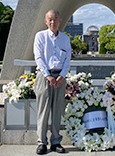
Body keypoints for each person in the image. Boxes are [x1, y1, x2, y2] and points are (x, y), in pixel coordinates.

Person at [33, 10, 72, 155]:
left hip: (60, 77)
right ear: (45, 21)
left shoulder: (65, 39)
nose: (52, 22)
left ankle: (56, 142)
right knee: (43, 110)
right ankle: (41, 142)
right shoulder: (40, 36)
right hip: (44, 77)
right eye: (50, 19)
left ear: (60, 20)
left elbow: (67, 59)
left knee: (57, 110)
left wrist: (62, 76)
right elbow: (38, 57)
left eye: (55, 19)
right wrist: (48, 76)